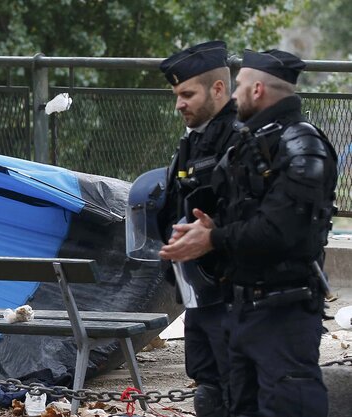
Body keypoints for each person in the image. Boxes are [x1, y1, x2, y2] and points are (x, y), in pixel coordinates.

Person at [160, 49, 336, 417]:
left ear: (257, 90)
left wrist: (213, 238)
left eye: (240, 86)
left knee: (288, 405)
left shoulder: (302, 144)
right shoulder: (249, 143)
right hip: (242, 305)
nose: (235, 95)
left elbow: (281, 231)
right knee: (234, 402)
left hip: (284, 308)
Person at [157, 40, 239, 417]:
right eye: (177, 95)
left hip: (235, 296)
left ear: (218, 88)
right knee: (207, 384)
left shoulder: (243, 140)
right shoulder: (191, 143)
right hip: (198, 294)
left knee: (240, 389)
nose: (179, 104)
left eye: (187, 94)